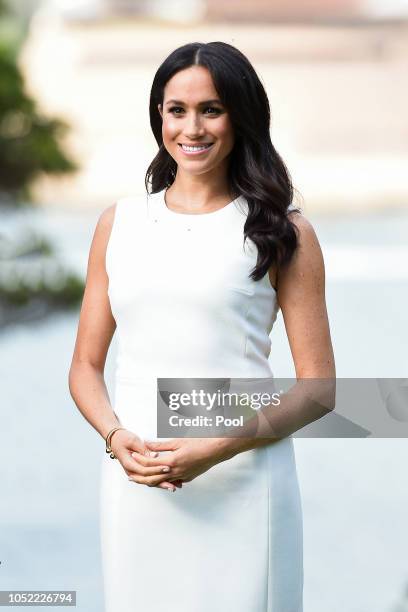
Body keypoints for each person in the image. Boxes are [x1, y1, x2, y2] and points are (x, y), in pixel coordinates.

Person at [68, 41, 335, 612]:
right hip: (138, 482)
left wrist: (214, 451)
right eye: (177, 109)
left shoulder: (283, 232)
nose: (193, 127)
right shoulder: (119, 223)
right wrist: (117, 439)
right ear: (158, 116)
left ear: (241, 114)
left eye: (211, 109)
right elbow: (85, 368)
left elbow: (318, 390)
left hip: (243, 478)